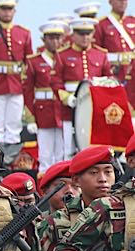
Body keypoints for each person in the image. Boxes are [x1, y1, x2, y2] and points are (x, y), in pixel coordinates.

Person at [52, 17, 111, 158]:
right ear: (73, 35)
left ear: (93, 34)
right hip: (70, 109)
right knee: (69, 151)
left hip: (95, 109)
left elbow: (108, 79)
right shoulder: (62, 55)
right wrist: (67, 98)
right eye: (81, 34)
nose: (85, 37)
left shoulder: (101, 54)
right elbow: (55, 81)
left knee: (94, 150)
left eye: (88, 33)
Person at [0, 0, 32, 148]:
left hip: (16, 83)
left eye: (9, 9)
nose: (7, 12)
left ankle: (11, 155)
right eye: (3, 9)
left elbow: (28, 62)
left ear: (14, 11)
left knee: (14, 123)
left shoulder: (23, 33)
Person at [24, 21, 66, 168]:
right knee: (45, 154)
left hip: (63, 110)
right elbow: (28, 90)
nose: (55, 42)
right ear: (43, 39)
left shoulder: (66, 59)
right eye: (51, 38)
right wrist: (30, 117)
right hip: (43, 111)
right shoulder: (34, 61)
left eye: (58, 38)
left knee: (63, 153)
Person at [94, 0, 135, 99]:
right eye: (119, 0)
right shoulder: (101, 24)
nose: (123, 2)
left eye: (125, 0)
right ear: (110, 2)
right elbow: (96, 52)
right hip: (114, 72)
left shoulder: (132, 21)